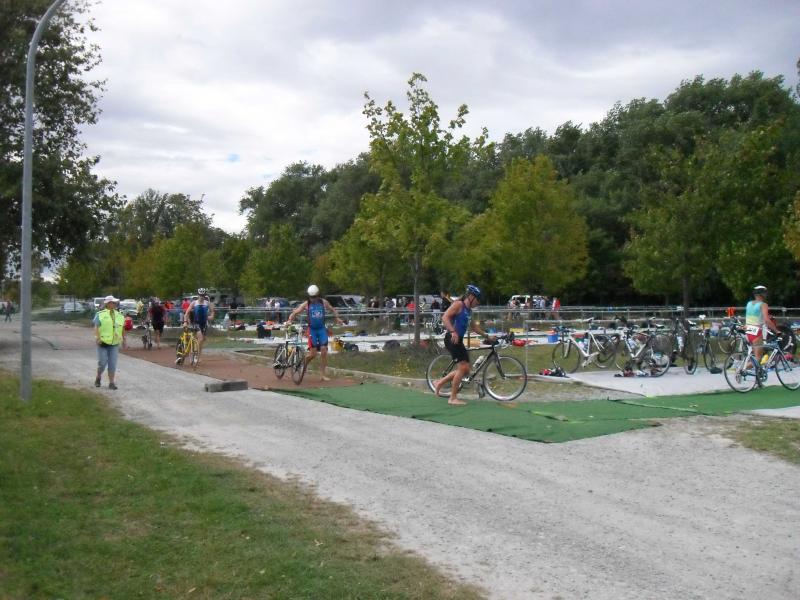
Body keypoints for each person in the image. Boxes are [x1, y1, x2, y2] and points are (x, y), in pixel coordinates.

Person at [433, 284, 494, 406]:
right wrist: (453, 331)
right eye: (477, 299)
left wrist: (487, 336)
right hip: (452, 339)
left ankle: (439, 382)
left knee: (466, 370)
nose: (478, 302)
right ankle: (452, 398)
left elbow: (474, 327)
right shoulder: (458, 305)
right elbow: (445, 317)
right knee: (462, 369)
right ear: (471, 297)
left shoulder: (468, 310)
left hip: (458, 340)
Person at [286, 284, 345, 381]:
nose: (312, 299)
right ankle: (304, 362)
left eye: (314, 297)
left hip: (321, 329)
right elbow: (295, 312)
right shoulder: (306, 304)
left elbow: (333, 310)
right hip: (312, 330)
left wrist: (337, 318)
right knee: (313, 354)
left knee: (324, 351)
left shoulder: (323, 302)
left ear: (317, 295)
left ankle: (322, 374)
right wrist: (289, 320)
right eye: (311, 297)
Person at [93, 295, 125, 390]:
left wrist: (124, 339)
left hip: (114, 343)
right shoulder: (100, 314)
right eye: (112, 302)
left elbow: (122, 328)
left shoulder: (119, 315)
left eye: (115, 302)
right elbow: (96, 327)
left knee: (112, 364)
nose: (114, 304)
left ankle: (111, 383)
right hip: (103, 342)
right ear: (107, 304)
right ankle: (98, 377)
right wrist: (97, 338)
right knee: (102, 363)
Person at [745, 285, 779, 363]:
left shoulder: (749, 303)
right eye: (765, 293)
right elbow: (767, 320)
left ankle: (754, 370)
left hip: (748, 330)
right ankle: (741, 369)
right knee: (758, 359)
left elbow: (755, 315)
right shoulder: (763, 305)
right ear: (762, 294)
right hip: (756, 332)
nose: (766, 295)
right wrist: (776, 330)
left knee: (755, 356)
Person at [184, 288, 215, 363]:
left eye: (203, 295)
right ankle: (194, 354)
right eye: (200, 295)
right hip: (195, 323)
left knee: (201, 341)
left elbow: (212, 311)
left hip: (204, 324)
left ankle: (197, 355)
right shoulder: (194, 303)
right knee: (199, 339)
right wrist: (185, 321)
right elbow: (187, 313)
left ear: (205, 296)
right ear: (198, 295)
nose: (202, 297)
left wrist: (211, 316)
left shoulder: (207, 303)